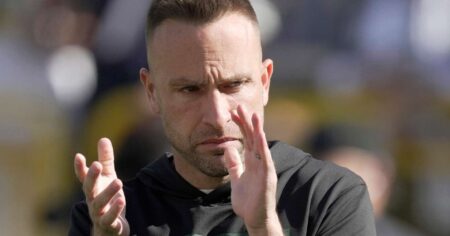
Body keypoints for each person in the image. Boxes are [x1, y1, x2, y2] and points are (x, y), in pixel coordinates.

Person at [69, 0, 376, 235]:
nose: (216, 116)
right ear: (151, 93)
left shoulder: (329, 197)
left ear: (265, 82)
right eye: (190, 89)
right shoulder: (108, 217)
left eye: (233, 86)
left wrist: (264, 227)